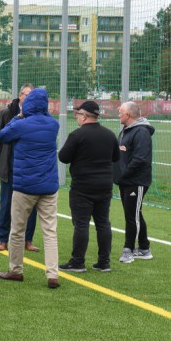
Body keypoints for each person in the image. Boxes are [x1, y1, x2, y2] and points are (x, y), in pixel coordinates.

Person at [0, 88, 61, 289]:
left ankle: (16, 270)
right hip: (49, 186)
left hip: (25, 186)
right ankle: (52, 274)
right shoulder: (53, 124)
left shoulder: (21, 125)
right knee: (50, 232)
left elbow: (2, 135)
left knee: (17, 230)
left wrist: (19, 116)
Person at [58, 100, 120, 272]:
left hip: (83, 187)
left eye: (78, 114)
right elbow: (116, 158)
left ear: (84, 116)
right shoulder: (109, 134)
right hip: (105, 185)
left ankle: (77, 262)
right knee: (103, 223)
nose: (77, 117)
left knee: (81, 224)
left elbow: (63, 157)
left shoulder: (77, 135)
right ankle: (104, 262)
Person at [0, 84, 40, 252]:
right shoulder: (6, 113)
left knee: (31, 206)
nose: (29, 99)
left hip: (28, 169)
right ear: (20, 96)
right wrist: (6, 153)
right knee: (6, 204)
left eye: (32, 96)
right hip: (10, 169)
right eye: (27, 95)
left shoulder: (36, 116)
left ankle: (28, 240)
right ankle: (2, 240)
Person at [114, 101, 156, 263]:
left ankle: (128, 250)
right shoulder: (126, 130)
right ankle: (144, 248)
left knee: (132, 216)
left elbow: (140, 159)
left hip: (136, 180)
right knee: (134, 214)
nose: (119, 114)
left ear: (129, 115)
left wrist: (123, 175)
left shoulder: (141, 132)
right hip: (126, 180)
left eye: (121, 112)